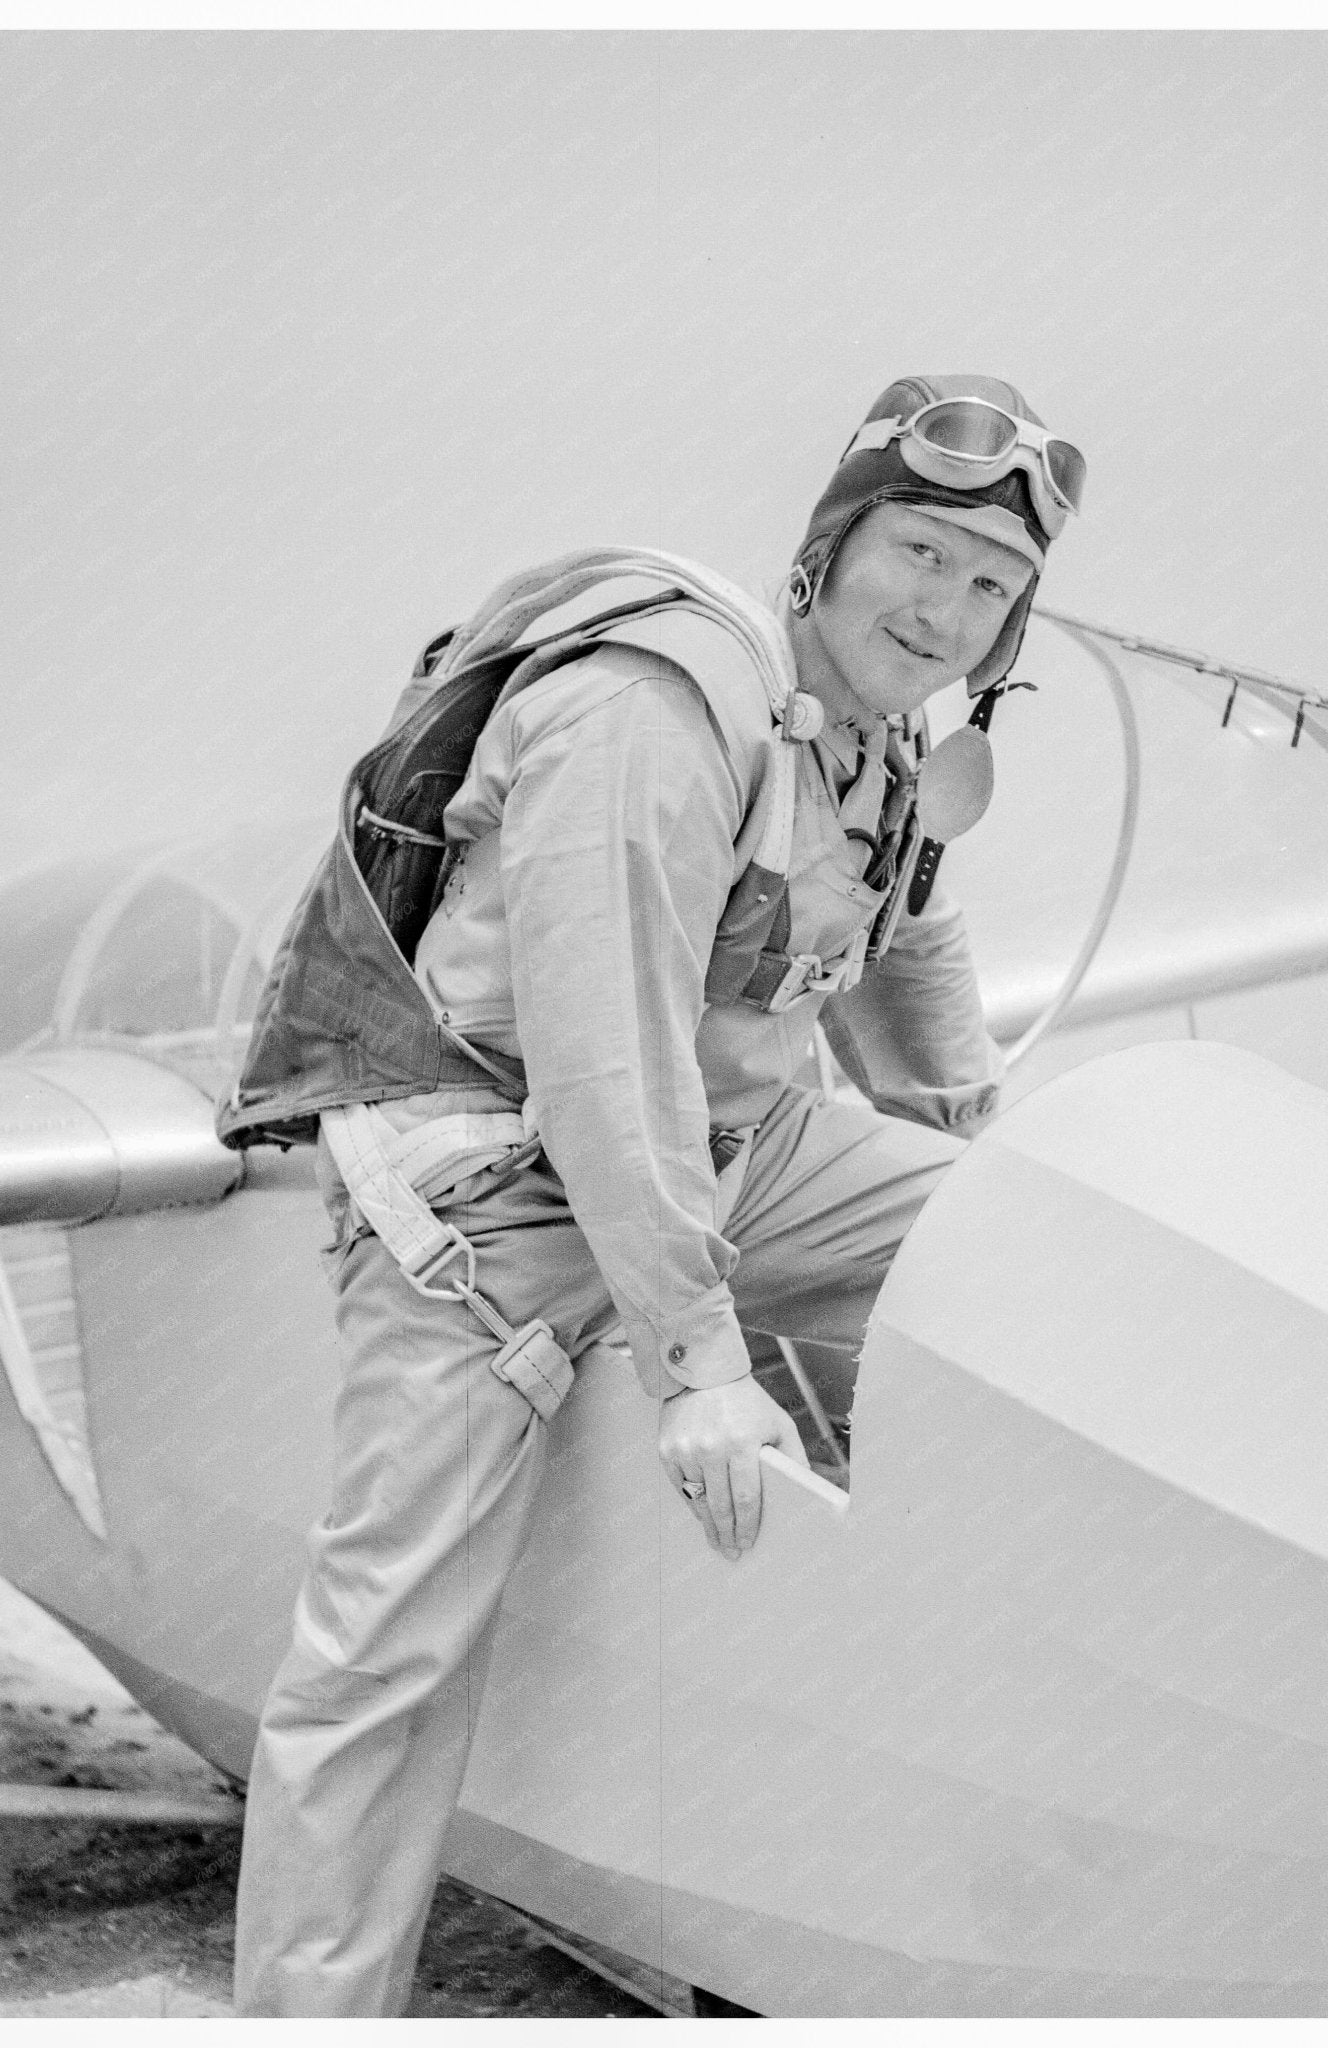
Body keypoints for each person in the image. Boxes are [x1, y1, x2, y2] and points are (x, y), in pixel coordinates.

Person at [223, 374, 1085, 2015]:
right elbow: (601, 1054)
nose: (947, 608)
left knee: (1029, 1254)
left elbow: (905, 923)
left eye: (990, 586)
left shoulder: (881, 721)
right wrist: (698, 1368)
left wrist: (980, 1132)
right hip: (498, 1192)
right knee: (385, 1655)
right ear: (830, 547)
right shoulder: (662, 708)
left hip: (739, 1159)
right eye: (919, 551)